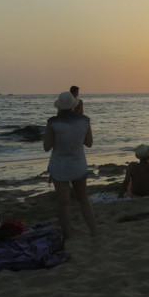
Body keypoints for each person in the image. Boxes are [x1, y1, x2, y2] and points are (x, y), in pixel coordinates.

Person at [43, 91, 96, 238]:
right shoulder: (84, 120)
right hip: (78, 163)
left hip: (59, 165)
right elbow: (89, 143)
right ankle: (93, 230)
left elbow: (47, 147)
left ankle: (67, 233)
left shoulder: (52, 122)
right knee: (83, 199)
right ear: (73, 105)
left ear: (59, 106)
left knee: (63, 202)